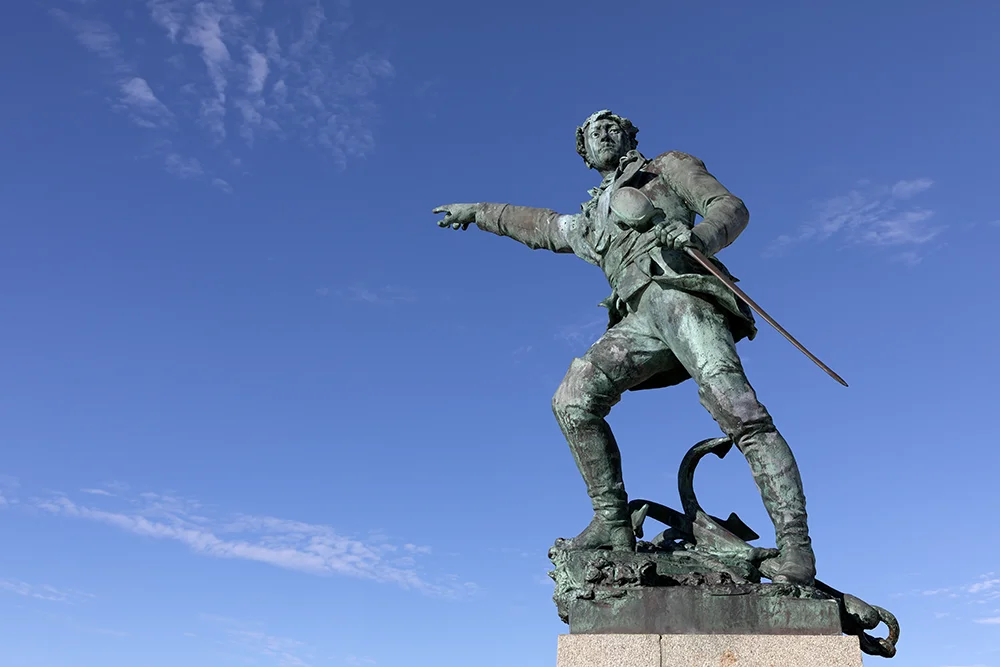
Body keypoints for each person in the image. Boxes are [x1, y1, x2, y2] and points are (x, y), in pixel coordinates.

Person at [433, 110, 816, 586]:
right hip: (637, 320)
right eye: (594, 132)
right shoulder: (591, 221)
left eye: (613, 127)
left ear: (630, 137)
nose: (604, 134)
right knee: (572, 401)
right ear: (584, 152)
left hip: (680, 298)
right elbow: (541, 226)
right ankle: (612, 520)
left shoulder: (666, 168)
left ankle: (796, 547)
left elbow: (729, 207)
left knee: (742, 415)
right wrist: (478, 212)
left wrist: (699, 236)